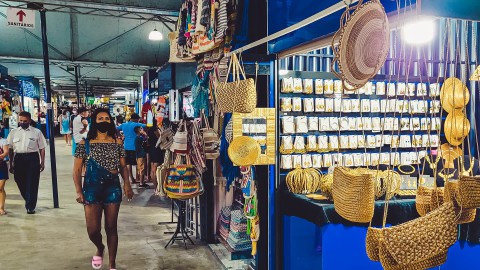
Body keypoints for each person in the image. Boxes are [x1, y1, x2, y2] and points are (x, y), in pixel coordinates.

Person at [73, 108, 134, 270]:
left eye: (107, 118)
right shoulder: (83, 143)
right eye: (100, 118)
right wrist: (79, 190)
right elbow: (77, 170)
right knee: (92, 230)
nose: (104, 121)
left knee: (111, 227)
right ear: (94, 121)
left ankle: (112, 264)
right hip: (91, 189)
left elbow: (123, 166)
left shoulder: (117, 142)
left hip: (112, 187)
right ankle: (100, 247)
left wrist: (127, 183)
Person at [7, 111, 47, 214]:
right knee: (18, 179)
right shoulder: (13, 132)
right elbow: (10, 149)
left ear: (29, 121)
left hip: (32, 158)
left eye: (25, 121)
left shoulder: (36, 132)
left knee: (32, 182)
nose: (22, 122)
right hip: (18, 158)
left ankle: (30, 206)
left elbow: (42, 148)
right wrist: (11, 163)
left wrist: (42, 162)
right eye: (20, 121)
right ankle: (29, 199)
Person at [116, 113, 146, 184]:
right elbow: (147, 126)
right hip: (135, 147)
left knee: (128, 163)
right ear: (136, 119)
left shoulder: (124, 125)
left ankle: (132, 179)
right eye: (138, 119)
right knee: (137, 163)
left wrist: (119, 135)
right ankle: (138, 178)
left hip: (126, 146)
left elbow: (115, 129)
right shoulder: (136, 124)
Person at [147, 119, 164, 192]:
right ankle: (158, 188)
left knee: (152, 170)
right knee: (156, 170)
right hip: (157, 150)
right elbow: (160, 139)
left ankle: (156, 188)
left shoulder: (148, 130)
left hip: (151, 150)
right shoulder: (156, 130)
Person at [0, 133, 9, 215]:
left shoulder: (3, 141)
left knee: (0, 188)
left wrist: (1, 156)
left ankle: (1, 208)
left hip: (1, 167)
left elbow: (6, 152)